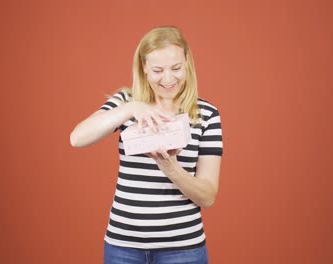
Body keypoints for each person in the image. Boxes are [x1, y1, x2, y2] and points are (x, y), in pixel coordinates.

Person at [70, 25, 223, 264]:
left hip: (183, 249)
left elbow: (208, 196)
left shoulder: (206, 114)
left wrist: (171, 168)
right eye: (158, 70)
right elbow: (77, 138)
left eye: (176, 68)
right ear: (144, 68)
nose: (168, 79)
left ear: (187, 64)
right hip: (123, 247)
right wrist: (131, 108)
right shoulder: (125, 103)